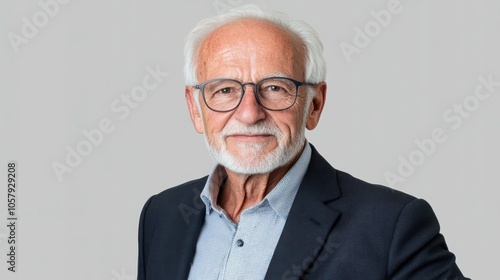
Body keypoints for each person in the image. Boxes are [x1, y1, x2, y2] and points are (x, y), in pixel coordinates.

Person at [137, 5, 469, 280]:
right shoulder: (162, 214)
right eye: (225, 90)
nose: (250, 113)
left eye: (275, 88)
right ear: (195, 109)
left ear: (314, 105)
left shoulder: (391, 226)